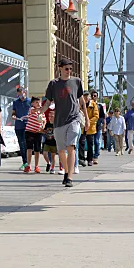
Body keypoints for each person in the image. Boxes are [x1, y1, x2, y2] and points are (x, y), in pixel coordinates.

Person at [40, 58, 89, 188]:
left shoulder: (76, 82)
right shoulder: (53, 84)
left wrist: (87, 119)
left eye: (70, 69)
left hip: (74, 118)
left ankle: (70, 177)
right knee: (61, 150)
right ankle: (66, 172)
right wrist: (40, 112)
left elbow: (81, 101)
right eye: (66, 69)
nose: (69, 71)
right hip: (59, 121)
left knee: (71, 147)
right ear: (60, 68)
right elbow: (48, 102)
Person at [24, 97, 45, 173]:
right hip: (29, 131)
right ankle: (28, 165)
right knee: (29, 149)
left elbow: (44, 120)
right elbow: (34, 111)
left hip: (38, 132)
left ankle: (36, 166)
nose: (38, 103)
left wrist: (43, 126)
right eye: (36, 102)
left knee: (37, 150)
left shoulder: (42, 112)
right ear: (32, 103)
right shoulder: (31, 109)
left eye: (39, 102)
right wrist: (42, 108)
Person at [12, 87, 31, 170]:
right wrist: (13, 116)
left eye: (21, 93)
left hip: (28, 125)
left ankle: (28, 162)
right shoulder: (15, 102)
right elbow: (13, 113)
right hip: (18, 125)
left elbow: (34, 111)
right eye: (18, 94)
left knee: (27, 144)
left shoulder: (30, 101)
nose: (20, 95)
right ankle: (25, 162)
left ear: (25, 92)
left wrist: (29, 116)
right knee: (21, 144)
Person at [84, 91, 99, 166]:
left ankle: (90, 159)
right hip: (82, 127)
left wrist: (88, 122)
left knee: (90, 145)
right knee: (81, 143)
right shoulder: (80, 103)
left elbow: (96, 116)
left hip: (90, 128)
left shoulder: (93, 104)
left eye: (87, 96)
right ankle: (81, 158)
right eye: (84, 96)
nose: (86, 97)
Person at [91, 90, 105, 156]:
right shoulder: (88, 105)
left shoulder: (99, 106)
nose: (93, 97)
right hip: (90, 126)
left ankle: (96, 154)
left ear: (97, 97)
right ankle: (91, 154)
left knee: (96, 141)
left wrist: (102, 124)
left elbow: (102, 116)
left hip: (98, 126)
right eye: (92, 96)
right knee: (90, 141)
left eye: (95, 96)